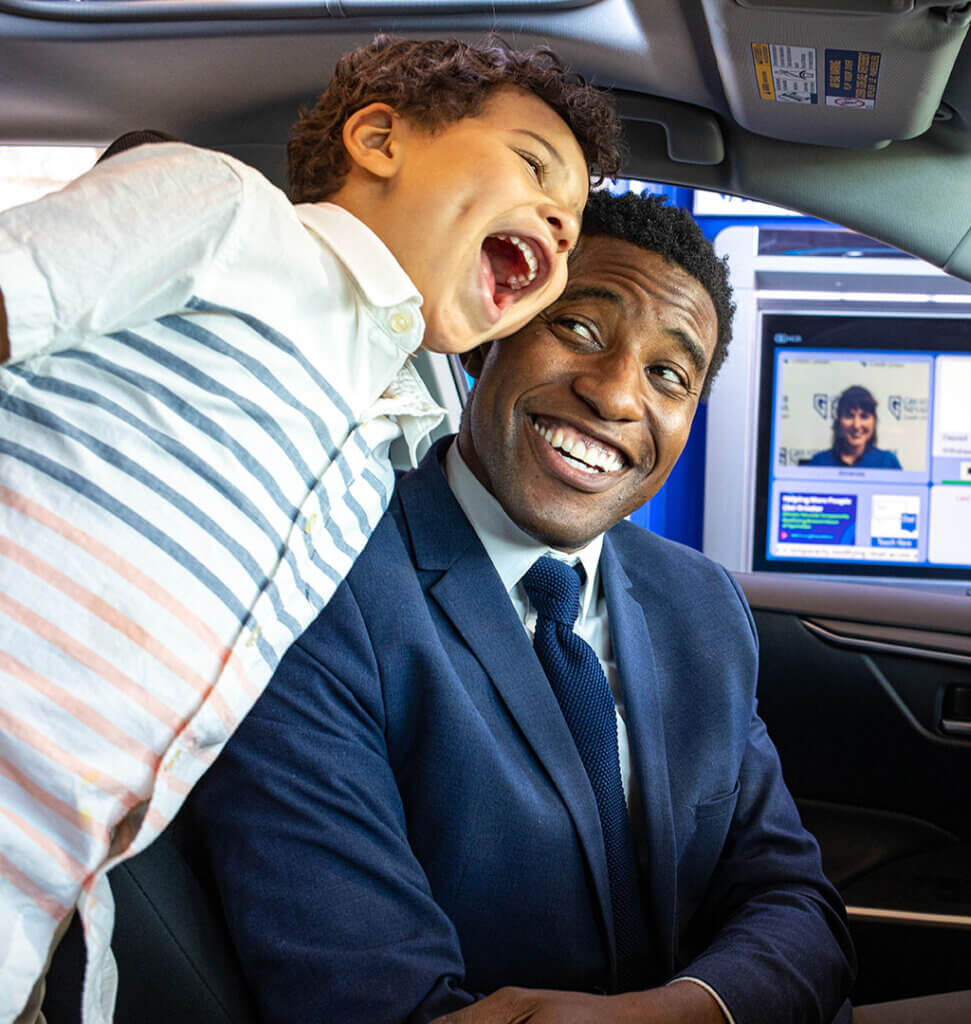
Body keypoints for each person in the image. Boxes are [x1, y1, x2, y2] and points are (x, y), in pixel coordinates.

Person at [0, 36, 621, 1024]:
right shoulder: (226, 214)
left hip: (42, 889)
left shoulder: (387, 435)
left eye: (574, 220)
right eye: (533, 166)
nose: (557, 217)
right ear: (379, 138)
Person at [192, 189, 856, 1024]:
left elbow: (796, 904)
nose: (616, 396)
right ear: (487, 339)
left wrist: (679, 1012)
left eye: (668, 374)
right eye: (577, 329)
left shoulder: (701, 604)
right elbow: (372, 995)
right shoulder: (325, 581)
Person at [807, 385, 902, 468]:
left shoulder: (887, 463)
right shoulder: (819, 462)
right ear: (839, 421)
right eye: (849, 416)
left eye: (864, 416)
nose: (856, 425)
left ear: (874, 421)